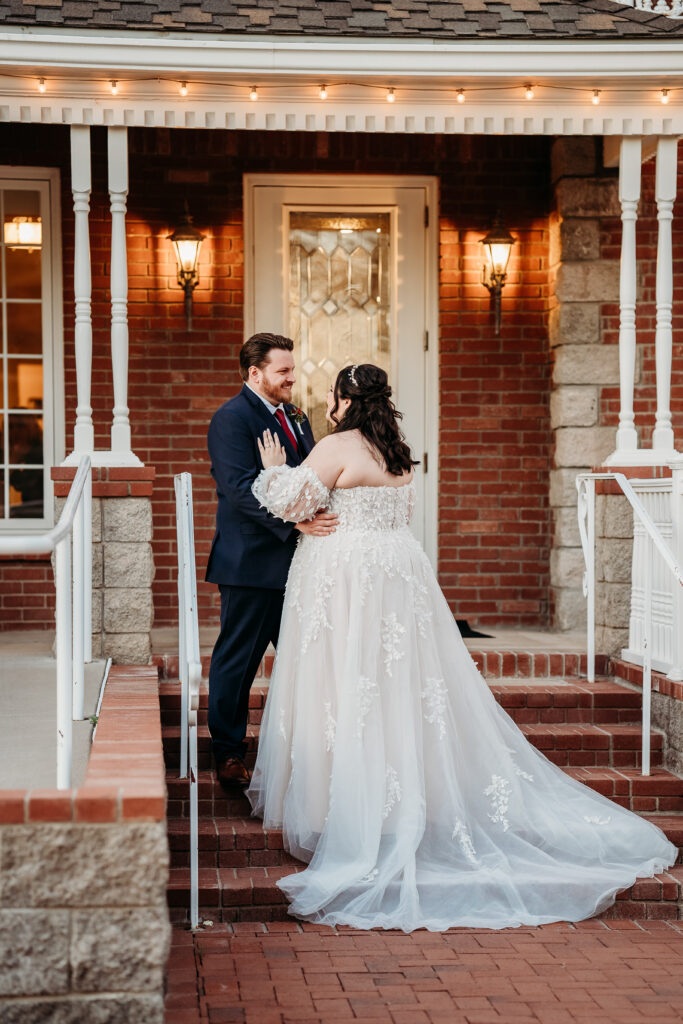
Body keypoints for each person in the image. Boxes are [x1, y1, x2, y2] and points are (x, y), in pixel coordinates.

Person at [246, 362, 677, 932]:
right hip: (397, 573)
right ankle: (391, 800)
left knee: (348, 684)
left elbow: (291, 502)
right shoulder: (395, 450)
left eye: (332, 393)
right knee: (393, 686)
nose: (327, 400)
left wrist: (273, 469)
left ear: (347, 400)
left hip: (350, 578)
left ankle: (349, 811)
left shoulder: (337, 445)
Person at [205, 333, 338, 789]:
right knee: (238, 660)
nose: (292, 378)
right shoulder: (231, 419)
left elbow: (311, 476)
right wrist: (293, 524)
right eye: (283, 371)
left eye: (292, 370)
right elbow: (238, 489)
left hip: (301, 564)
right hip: (251, 563)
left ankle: (305, 754)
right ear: (254, 373)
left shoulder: (297, 418)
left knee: (306, 659)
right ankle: (227, 754)